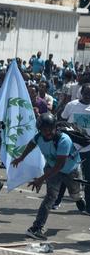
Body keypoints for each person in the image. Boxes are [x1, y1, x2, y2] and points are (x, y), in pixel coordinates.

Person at [12, 113, 88, 240]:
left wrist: (40, 179)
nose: (47, 132)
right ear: (39, 130)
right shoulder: (39, 137)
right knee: (50, 198)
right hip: (52, 170)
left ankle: (78, 198)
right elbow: (32, 144)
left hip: (71, 170)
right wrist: (21, 157)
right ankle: (36, 228)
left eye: (50, 129)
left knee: (74, 194)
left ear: (55, 127)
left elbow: (59, 165)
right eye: (43, 130)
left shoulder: (64, 140)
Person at [57, 83, 90, 213]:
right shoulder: (72, 105)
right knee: (65, 174)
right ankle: (56, 200)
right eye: (86, 93)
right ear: (81, 93)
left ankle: (88, 206)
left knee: (87, 178)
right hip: (71, 147)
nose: (88, 96)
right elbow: (62, 120)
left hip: (88, 148)